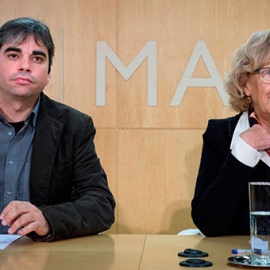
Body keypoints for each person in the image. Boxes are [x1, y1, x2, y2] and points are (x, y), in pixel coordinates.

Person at [0, 17, 115, 241]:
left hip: (39, 255)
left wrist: (47, 218)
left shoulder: (74, 126)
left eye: (37, 58)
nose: (25, 66)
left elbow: (101, 204)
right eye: (13, 55)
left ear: (48, 74)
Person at [191, 30, 270, 236]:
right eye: (268, 73)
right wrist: (244, 152)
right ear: (245, 85)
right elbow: (208, 223)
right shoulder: (221, 134)